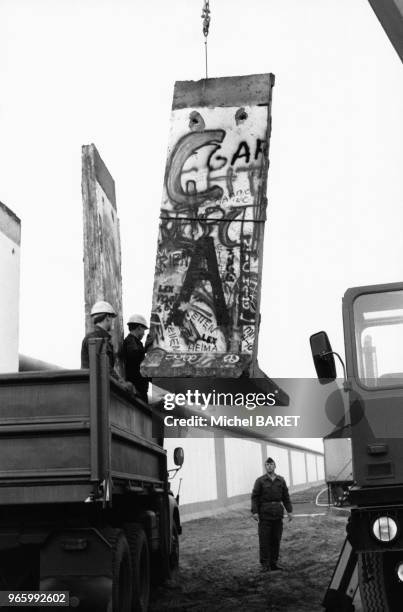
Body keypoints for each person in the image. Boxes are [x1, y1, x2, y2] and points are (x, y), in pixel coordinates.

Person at [251, 457, 293, 571]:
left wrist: (289, 511)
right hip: (265, 514)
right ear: (265, 467)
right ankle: (265, 565)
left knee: (276, 539)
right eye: (267, 465)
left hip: (277, 515)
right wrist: (254, 511)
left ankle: (274, 563)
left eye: (271, 464)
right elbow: (254, 497)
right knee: (264, 540)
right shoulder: (260, 481)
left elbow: (285, 497)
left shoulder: (281, 480)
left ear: (275, 466)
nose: (269, 466)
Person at [81, 300, 132, 391]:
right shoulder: (95, 338)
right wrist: (121, 383)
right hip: (94, 390)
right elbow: (103, 367)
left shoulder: (102, 339)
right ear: (107, 317)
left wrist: (120, 381)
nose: (112, 321)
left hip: (97, 387)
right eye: (112, 318)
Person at [122, 314, 152, 402]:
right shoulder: (131, 342)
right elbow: (135, 359)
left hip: (139, 388)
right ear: (139, 328)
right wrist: (146, 349)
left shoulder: (135, 343)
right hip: (136, 389)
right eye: (143, 330)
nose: (144, 333)